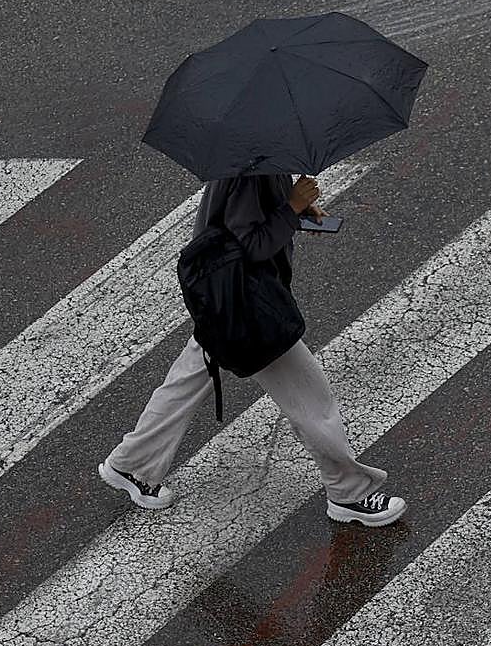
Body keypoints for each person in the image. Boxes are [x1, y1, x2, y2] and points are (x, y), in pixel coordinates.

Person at [97, 172, 406, 527]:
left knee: (187, 381)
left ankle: (132, 464)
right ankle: (349, 492)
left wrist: (297, 210)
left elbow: (241, 223)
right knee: (310, 397)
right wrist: (291, 207)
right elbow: (251, 244)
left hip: (223, 301)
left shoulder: (252, 154)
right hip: (248, 307)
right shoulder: (250, 168)